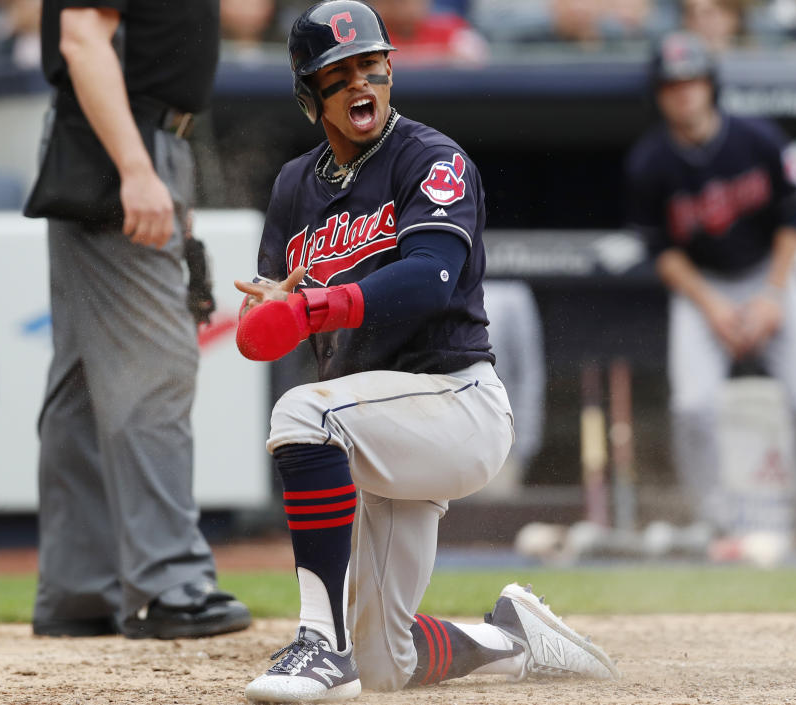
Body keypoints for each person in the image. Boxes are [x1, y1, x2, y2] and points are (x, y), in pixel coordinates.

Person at [234, 2, 619, 702]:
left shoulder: (430, 157)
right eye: (339, 72)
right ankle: (513, 637)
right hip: (373, 422)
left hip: (452, 402)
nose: (361, 84)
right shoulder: (295, 187)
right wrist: (265, 316)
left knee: (301, 414)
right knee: (388, 663)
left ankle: (320, 643)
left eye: (371, 66)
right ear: (309, 93)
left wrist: (317, 306)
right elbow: (266, 319)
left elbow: (429, 278)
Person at [27, 0, 250, 640]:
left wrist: (159, 167)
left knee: (82, 380)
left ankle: (80, 589)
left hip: (134, 135)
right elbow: (81, 38)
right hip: (119, 138)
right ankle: (166, 583)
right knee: (156, 366)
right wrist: (136, 167)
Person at [624, 32, 796, 540]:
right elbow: (661, 250)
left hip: (772, 274)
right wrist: (713, 306)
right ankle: (714, 521)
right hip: (703, 288)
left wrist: (771, 295)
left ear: (710, 85)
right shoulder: (649, 163)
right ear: (660, 94)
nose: (684, 92)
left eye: (693, 81)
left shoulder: (758, 137)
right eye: (673, 84)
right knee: (693, 407)